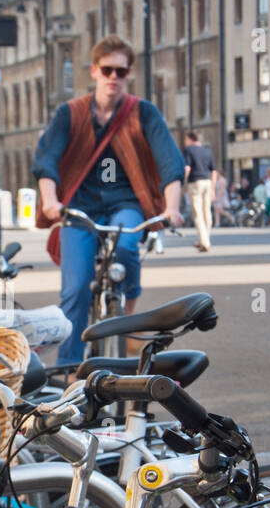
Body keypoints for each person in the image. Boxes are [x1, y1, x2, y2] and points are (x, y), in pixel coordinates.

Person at [34, 34, 184, 365]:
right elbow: (47, 159)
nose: (113, 78)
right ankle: (70, 371)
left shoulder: (142, 113)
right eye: (107, 70)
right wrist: (50, 201)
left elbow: (170, 162)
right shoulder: (70, 113)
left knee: (128, 246)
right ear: (94, 71)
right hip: (79, 207)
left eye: (121, 71)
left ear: (129, 74)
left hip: (125, 204)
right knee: (75, 292)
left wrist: (171, 208)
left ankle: (128, 310)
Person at [183, 131, 217, 251]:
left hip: (195, 182)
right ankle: (204, 239)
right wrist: (213, 189)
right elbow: (214, 171)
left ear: (190, 139)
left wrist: (183, 183)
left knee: (198, 214)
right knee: (206, 212)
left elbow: (187, 168)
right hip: (207, 182)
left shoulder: (188, 150)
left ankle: (204, 242)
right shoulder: (207, 151)